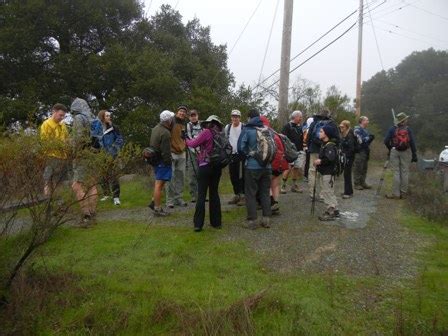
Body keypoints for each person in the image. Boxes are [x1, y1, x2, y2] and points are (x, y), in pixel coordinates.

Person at [186, 115, 224, 232]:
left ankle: (198, 224)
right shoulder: (221, 134)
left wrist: (185, 139)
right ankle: (216, 222)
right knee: (214, 194)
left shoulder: (206, 132)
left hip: (205, 166)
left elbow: (193, 144)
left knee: (201, 194)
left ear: (209, 123)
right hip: (217, 167)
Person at [238, 109, 272, 229]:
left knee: (250, 193)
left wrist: (248, 155)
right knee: (265, 192)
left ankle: (252, 221)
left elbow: (240, 148)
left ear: (249, 118)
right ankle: (266, 219)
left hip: (252, 166)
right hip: (267, 166)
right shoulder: (267, 130)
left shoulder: (247, 129)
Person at [70, 97, 98, 226]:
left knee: (77, 185)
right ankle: (92, 212)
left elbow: (78, 138)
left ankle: (86, 214)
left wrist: (74, 152)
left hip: (82, 155)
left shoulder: (79, 118)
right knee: (92, 184)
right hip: (94, 154)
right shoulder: (94, 118)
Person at [92, 110, 124, 205]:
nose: (109, 117)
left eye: (109, 116)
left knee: (113, 176)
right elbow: (93, 140)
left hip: (112, 155)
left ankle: (116, 197)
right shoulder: (96, 128)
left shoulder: (114, 128)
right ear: (102, 117)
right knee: (102, 175)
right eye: (107, 116)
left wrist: (114, 148)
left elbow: (120, 139)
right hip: (100, 155)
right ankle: (106, 194)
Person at [383, 112, 418, 199]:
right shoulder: (408, 130)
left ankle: (396, 194)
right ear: (404, 120)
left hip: (394, 151)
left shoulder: (392, 129)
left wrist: (390, 148)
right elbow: (412, 142)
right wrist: (414, 154)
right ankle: (404, 193)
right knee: (405, 172)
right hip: (406, 152)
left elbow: (386, 141)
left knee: (396, 172)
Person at [306, 108, 338, 200]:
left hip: (314, 149)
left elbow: (309, 136)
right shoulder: (331, 124)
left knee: (312, 171)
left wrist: (309, 147)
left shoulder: (314, 123)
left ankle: (312, 193)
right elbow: (336, 138)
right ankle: (322, 194)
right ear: (328, 114)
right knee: (323, 172)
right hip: (326, 149)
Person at [40, 103, 69, 197]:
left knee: (59, 181)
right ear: (54, 112)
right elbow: (45, 141)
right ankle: (47, 200)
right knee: (48, 179)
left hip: (63, 156)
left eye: (63, 116)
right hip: (51, 155)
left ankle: (58, 200)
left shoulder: (63, 125)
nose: (62, 117)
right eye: (60, 115)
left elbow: (66, 139)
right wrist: (59, 144)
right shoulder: (46, 124)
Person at [260, 116, 288, 214]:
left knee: (266, 184)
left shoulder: (264, 133)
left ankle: (271, 203)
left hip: (271, 163)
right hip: (280, 163)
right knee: (275, 185)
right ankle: (275, 202)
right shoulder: (275, 133)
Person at [149, 110, 175, 216]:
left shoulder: (155, 128)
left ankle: (153, 202)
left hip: (155, 160)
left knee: (160, 183)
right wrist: (169, 163)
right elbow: (166, 151)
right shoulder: (166, 133)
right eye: (171, 119)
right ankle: (157, 209)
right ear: (168, 120)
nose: (173, 120)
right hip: (162, 162)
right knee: (159, 185)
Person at [314, 124, 340, 221]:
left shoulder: (329, 146)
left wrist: (319, 161)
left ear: (327, 134)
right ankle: (335, 209)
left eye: (321, 132)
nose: (319, 133)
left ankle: (331, 211)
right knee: (328, 191)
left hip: (328, 173)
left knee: (327, 191)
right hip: (325, 172)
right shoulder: (325, 144)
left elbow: (330, 158)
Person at [166, 105, 188, 208]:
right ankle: (170, 200)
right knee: (171, 177)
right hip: (171, 152)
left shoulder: (184, 124)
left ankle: (178, 198)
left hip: (182, 153)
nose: (182, 113)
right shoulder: (171, 121)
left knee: (181, 177)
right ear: (177, 112)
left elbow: (184, 137)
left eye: (184, 112)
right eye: (180, 111)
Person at [224, 109, 245, 206]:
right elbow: (225, 140)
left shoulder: (243, 127)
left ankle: (243, 196)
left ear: (239, 118)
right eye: (233, 116)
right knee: (233, 176)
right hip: (231, 155)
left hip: (242, 154)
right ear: (231, 117)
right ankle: (236, 194)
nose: (235, 118)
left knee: (242, 176)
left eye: (237, 116)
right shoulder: (227, 127)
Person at [281, 110, 305, 193]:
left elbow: (302, 138)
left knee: (296, 168)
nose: (301, 119)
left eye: (301, 117)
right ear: (295, 117)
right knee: (288, 168)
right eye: (300, 117)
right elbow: (283, 139)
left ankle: (294, 186)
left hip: (299, 151)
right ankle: (283, 186)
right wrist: (286, 150)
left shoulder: (300, 127)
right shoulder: (287, 126)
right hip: (290, 152)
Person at [353, 116, 375, 190]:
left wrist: (370, 139)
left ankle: (363, 182)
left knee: (364, 167)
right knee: (358, 167)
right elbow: (360, 141)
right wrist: (369, 138)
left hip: (365, 151)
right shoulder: (357, 129)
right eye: (366, 120)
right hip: (359, 151)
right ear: (362, 121)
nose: (368, 122)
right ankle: (357, 183)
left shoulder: (365, 130)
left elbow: (366, 142)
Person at [186, 109, 202, 203]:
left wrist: (201, 150)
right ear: (189, 117)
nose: (193, 117)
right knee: (192, 174)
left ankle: (202, 194)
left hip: (202, 152)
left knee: (202, 173)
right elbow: (188, 138)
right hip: (192, 152)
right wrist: (195, 150)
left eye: (194, 115)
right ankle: (194, 195)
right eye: (191, 116)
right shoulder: (188, 125)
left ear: (197, 115)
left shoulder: (202, 125)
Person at [339, 120, 356, 199]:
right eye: (340, 127)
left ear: (346, 127)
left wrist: (347, 157)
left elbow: (351, 148)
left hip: (349, 157)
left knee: (347, 174)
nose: (341, 128)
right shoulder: (345, 134)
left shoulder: (350, 135)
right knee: (346, 174)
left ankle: (348, 192)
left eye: (342, 127)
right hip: (346, 156)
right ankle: (348, 191)